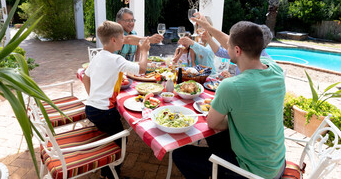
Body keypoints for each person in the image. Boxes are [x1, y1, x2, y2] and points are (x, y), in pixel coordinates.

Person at [173, 21, 286, 179]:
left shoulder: (231, 86)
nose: (226, 46)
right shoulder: (276, 69)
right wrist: (208, 26)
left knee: (179, 155)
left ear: (237, 50)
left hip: (253, 173)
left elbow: (212, 123)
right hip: (277, 163)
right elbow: (234, 42)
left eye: (229, 45)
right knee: (213, 136)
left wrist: (233, 119)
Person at [82, 21, 150, 179]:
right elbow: (142, 69)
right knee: (122, 140)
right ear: (113, 40)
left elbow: (86, 78)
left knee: (112, 136)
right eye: (122, 37)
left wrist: (93, 96)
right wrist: (145, 50)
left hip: (91, 108)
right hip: (104, 112)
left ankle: (107, 169)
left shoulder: (99, 55)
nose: (124, 40)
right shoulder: (116, 59)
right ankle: (110, 175)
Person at [194, 13, 273, 75]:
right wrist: (208, 38)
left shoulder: (264, 61)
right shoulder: (271, 66)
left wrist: (208, 27)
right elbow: (219, 52)